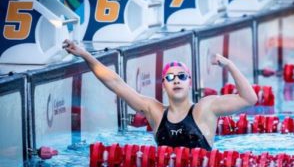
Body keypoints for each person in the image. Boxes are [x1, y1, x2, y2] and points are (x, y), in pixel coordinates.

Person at [63, 40, 258, 151]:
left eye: (181, 76)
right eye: (170, 77)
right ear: (163, 85)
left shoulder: (205, 108)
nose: (176, 80)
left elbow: (249, 99)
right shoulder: (154, 111)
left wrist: (229, 65)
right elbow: (115, 82)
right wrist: (85, 54)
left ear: (189, 82)